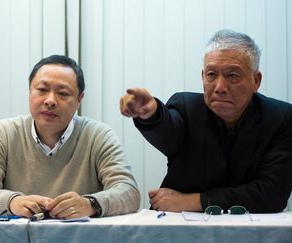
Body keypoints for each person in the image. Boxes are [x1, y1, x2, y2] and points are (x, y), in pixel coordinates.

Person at [120, 29, 292, 213]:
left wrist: (195, 201)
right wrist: (151, 113)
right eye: (211, 74)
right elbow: (167, 129)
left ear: (256, 81)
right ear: (203, 77)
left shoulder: (280, 117)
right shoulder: (186, 108)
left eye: (233, 75)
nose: (220, 87)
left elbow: (272, 194)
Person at [0, 55, 140, 218]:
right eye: (42, 89)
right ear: (30, 91)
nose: (50, 100)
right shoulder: (4, 133)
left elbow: (128, 191)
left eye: (63, 93)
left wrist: (91, 204)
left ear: (79, 99)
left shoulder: (98, 135)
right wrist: (11, 201)